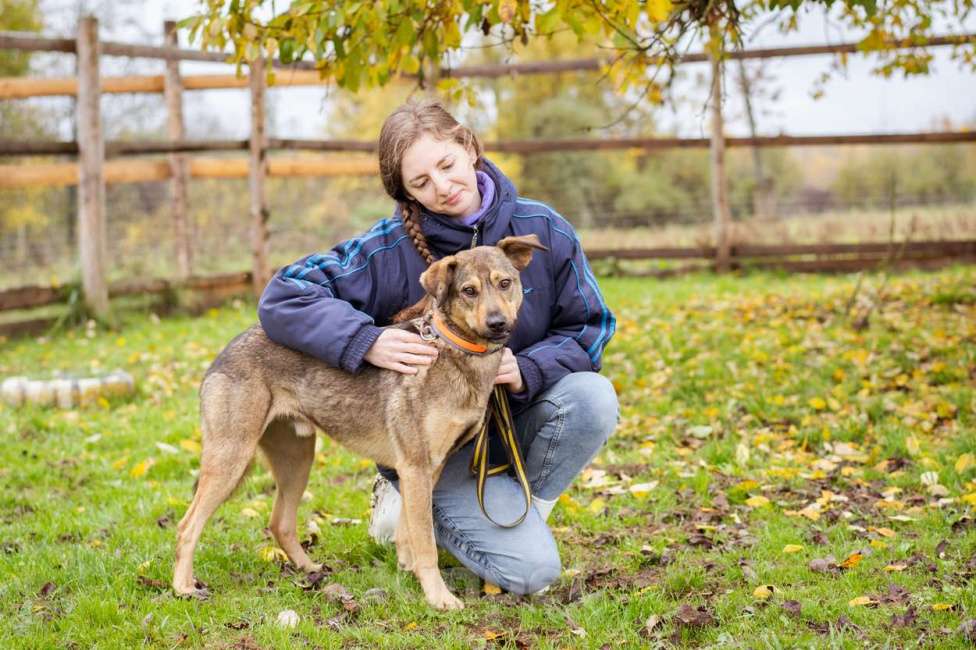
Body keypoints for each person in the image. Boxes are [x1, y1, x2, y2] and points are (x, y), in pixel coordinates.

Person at [258, 99, 618, 596]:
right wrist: (365, 340)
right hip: (430, 453)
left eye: (447, 165)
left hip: (519, 423)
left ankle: (526, 512)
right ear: (403, 191)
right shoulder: (385, 250)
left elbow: (592, 327)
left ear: (468, 148)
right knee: (532, 576)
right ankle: (403, 497)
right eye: (421, 183)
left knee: (593, 398)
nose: (443, 188)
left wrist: (529, 367)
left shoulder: (545, 231)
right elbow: (285, 294)